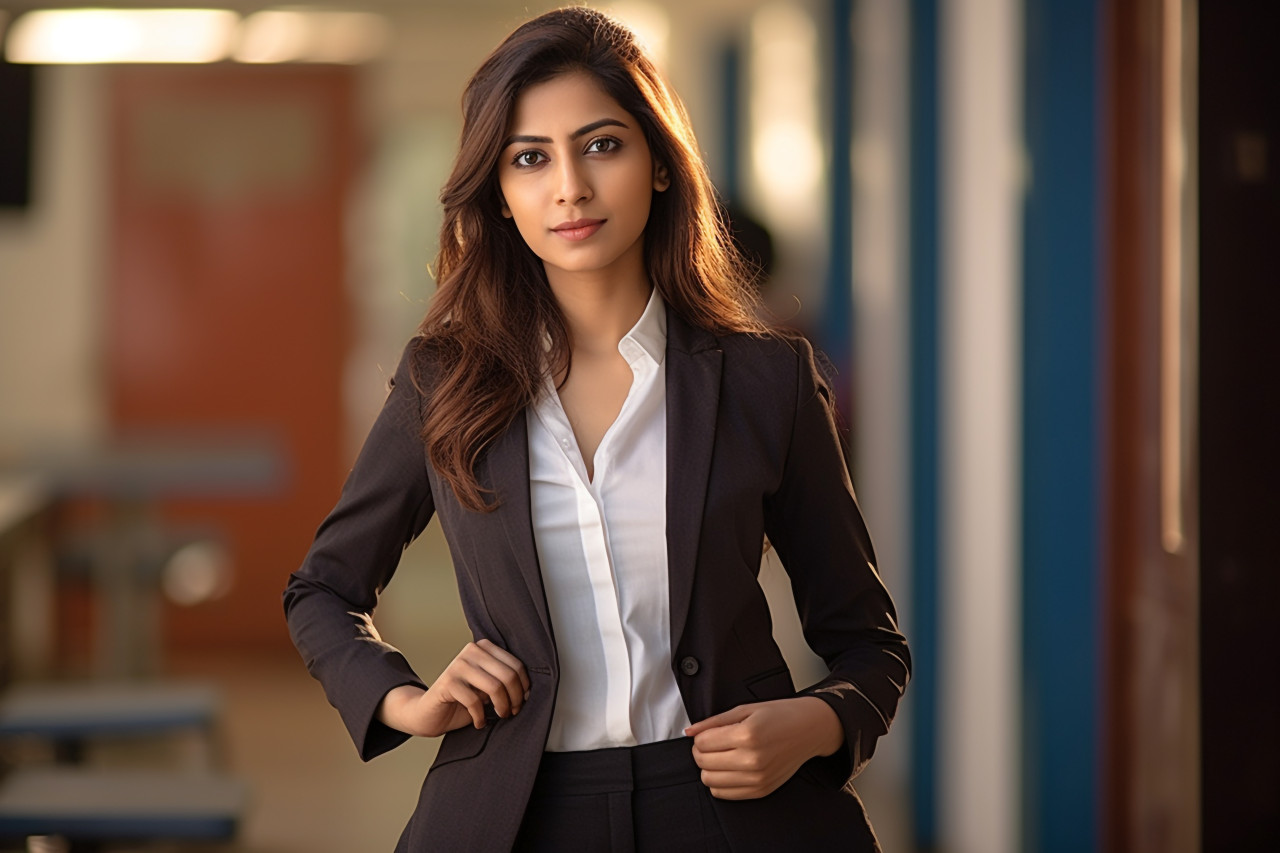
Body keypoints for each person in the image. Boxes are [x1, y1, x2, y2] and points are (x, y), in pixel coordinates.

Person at [283, 7, 909, 851]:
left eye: (602, 145)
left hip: (734, 808)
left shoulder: (768, 383)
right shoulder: (444, 379)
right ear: (500, 195)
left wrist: (816, 723)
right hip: (519, 813)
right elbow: (323, 590)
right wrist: (405, 700)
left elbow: (870, 644)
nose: (570, 187)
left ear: (660, 164)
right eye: (530, 158)